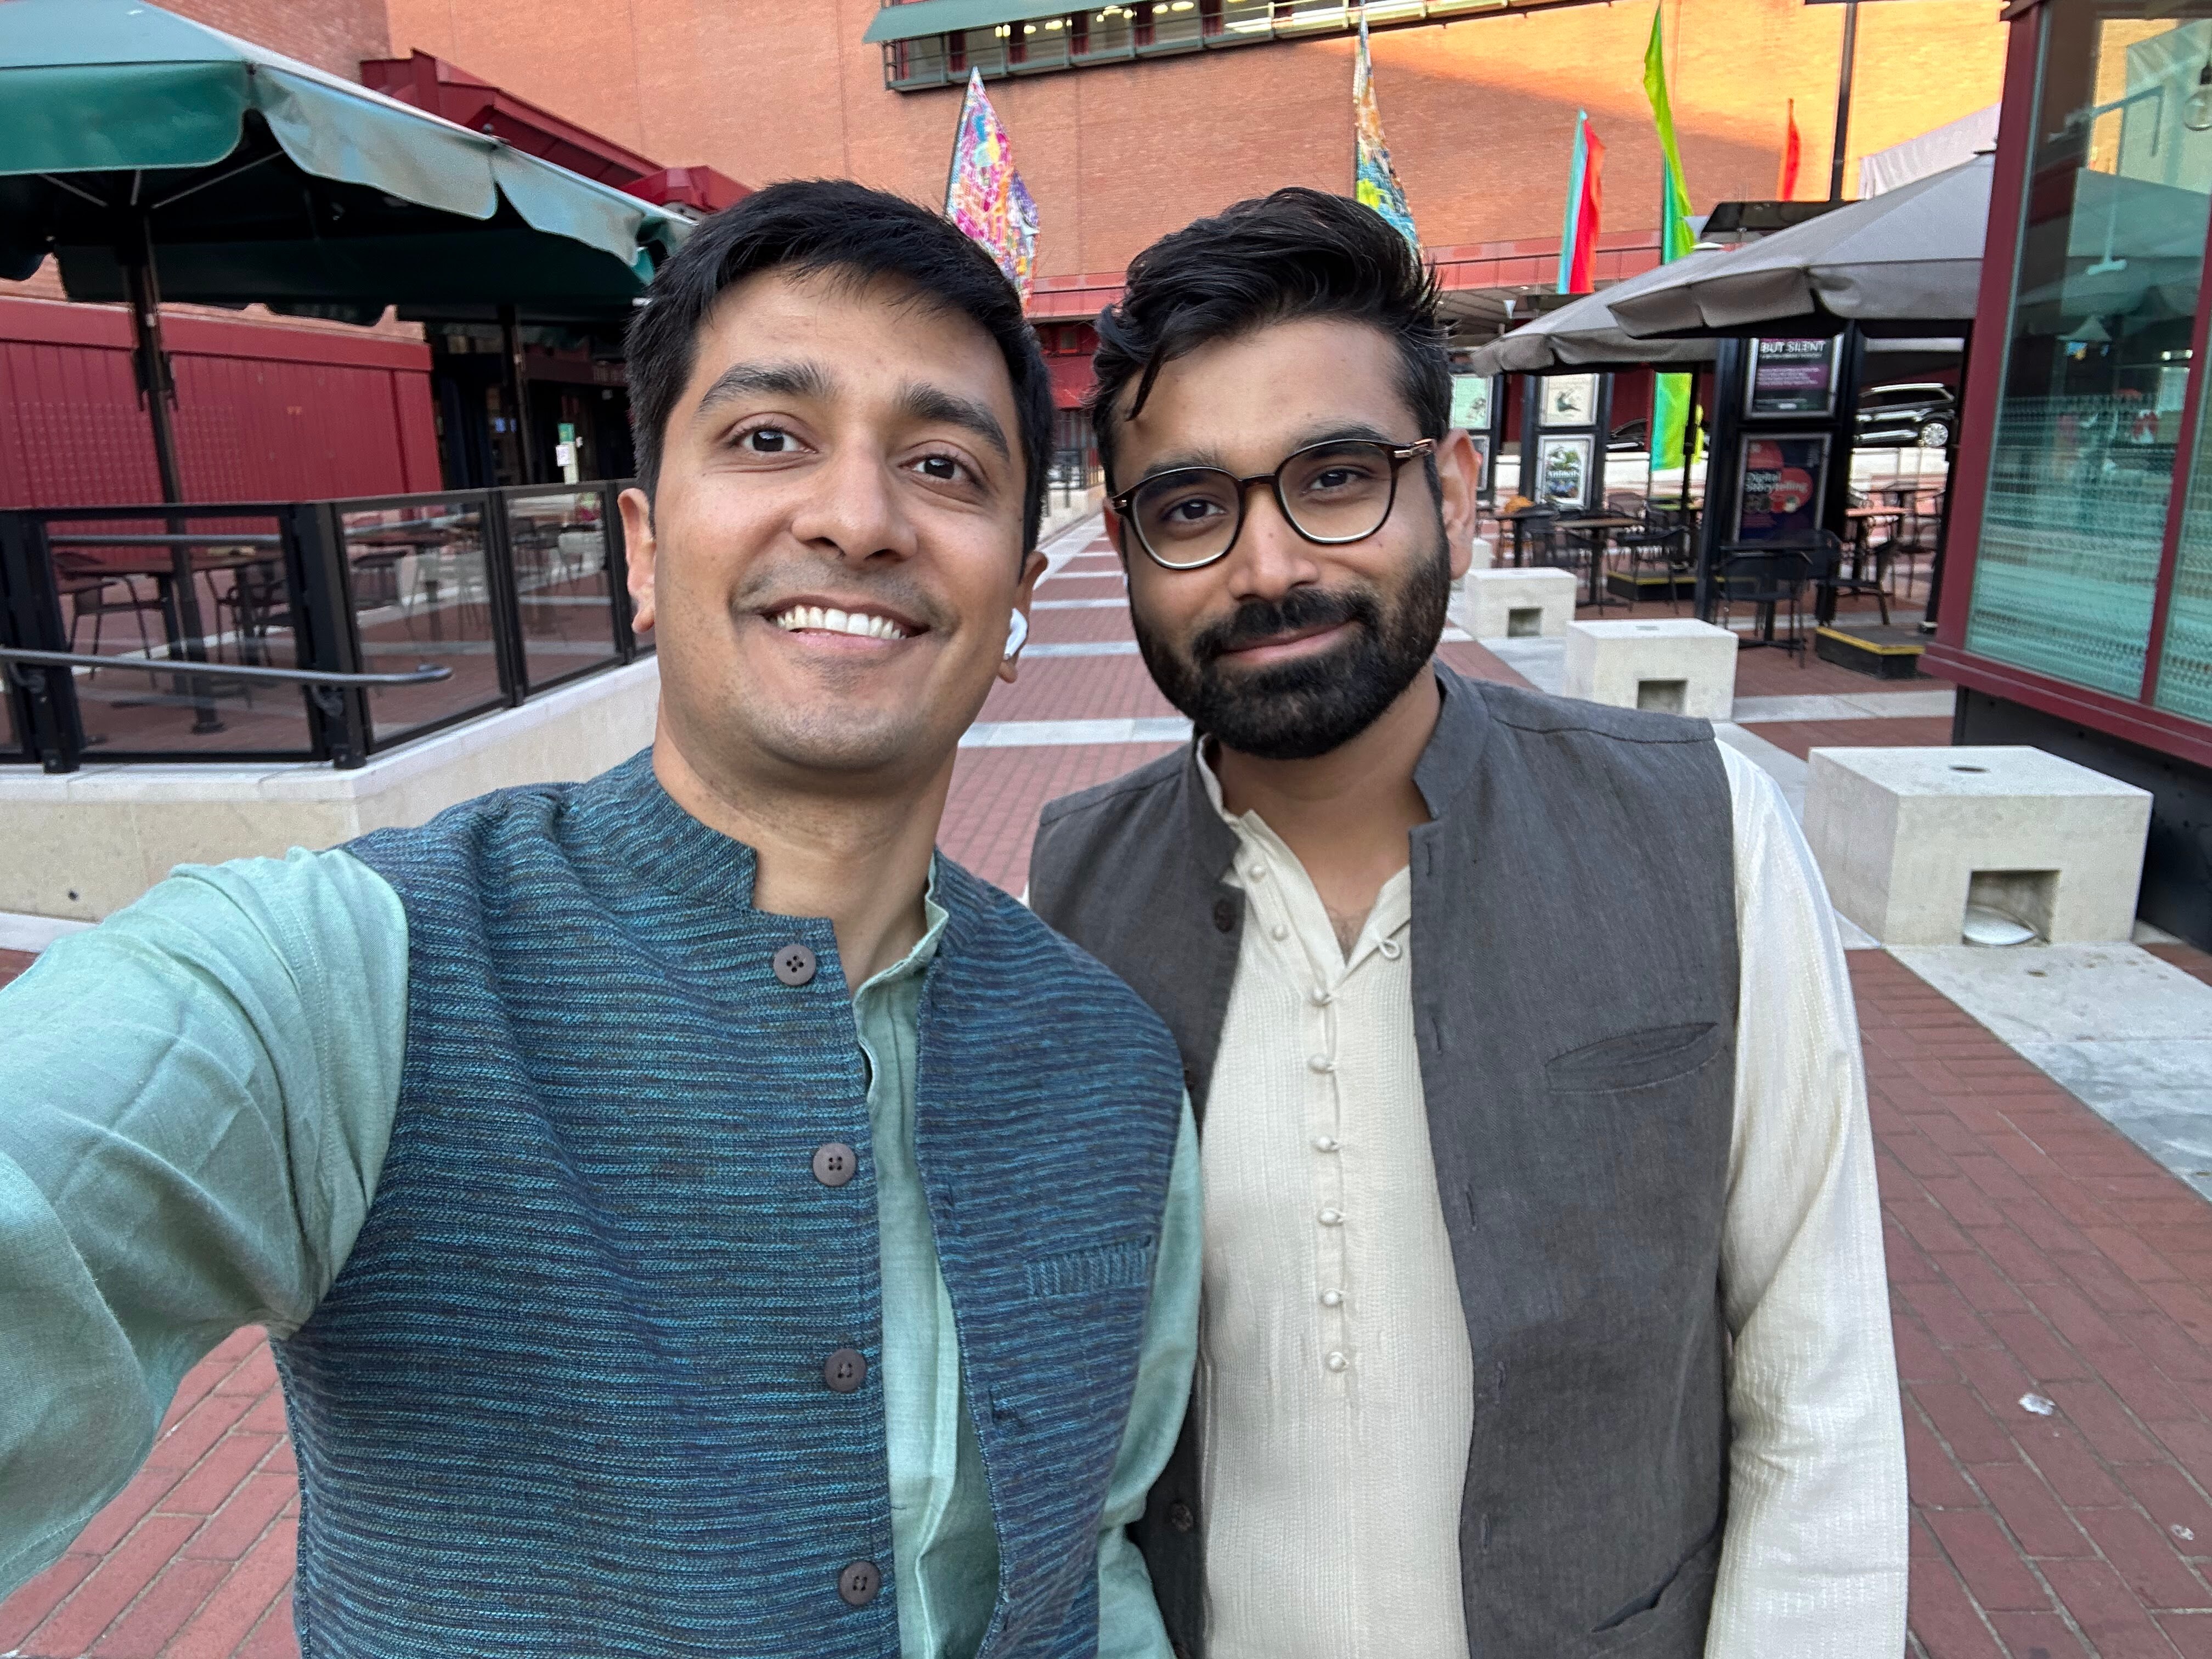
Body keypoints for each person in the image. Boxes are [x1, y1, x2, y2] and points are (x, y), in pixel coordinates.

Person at [0, 180, 1199, 1659]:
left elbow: (1099, 1555)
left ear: (1019, 594)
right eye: (769, 439)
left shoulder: (1111, 1068)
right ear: (642, 544)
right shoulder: (357, 972)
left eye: (944, 464)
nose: (857, 516)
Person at [1028, 188, 1906, 1659]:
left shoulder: (1706, 837)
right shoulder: (1070, 902)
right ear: (1120, 547)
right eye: (1191, 507)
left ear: (1453, 483)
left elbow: (1819, 1406)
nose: (1268, 565)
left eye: (1336, 477)